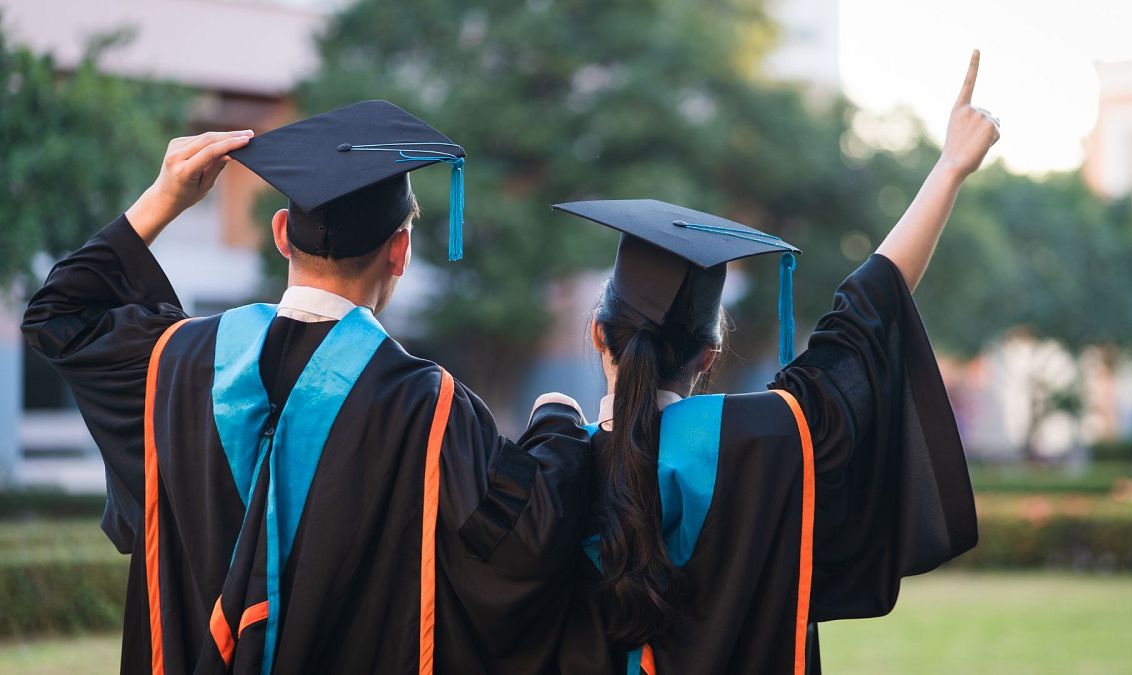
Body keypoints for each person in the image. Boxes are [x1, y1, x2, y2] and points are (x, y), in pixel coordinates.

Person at [22, 100, 592, 674]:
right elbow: (529, 541)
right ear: (400, 253)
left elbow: (59, 316)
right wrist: (558, 423)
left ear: (279, 234)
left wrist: (163, 200)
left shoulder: (175, 361)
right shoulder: (428, 407)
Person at [548, 51, 997, 674]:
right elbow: (863, 319)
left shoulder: (549, 474)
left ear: (599, 335)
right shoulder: (769, 440)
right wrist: (948, 169)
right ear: (708, 356)